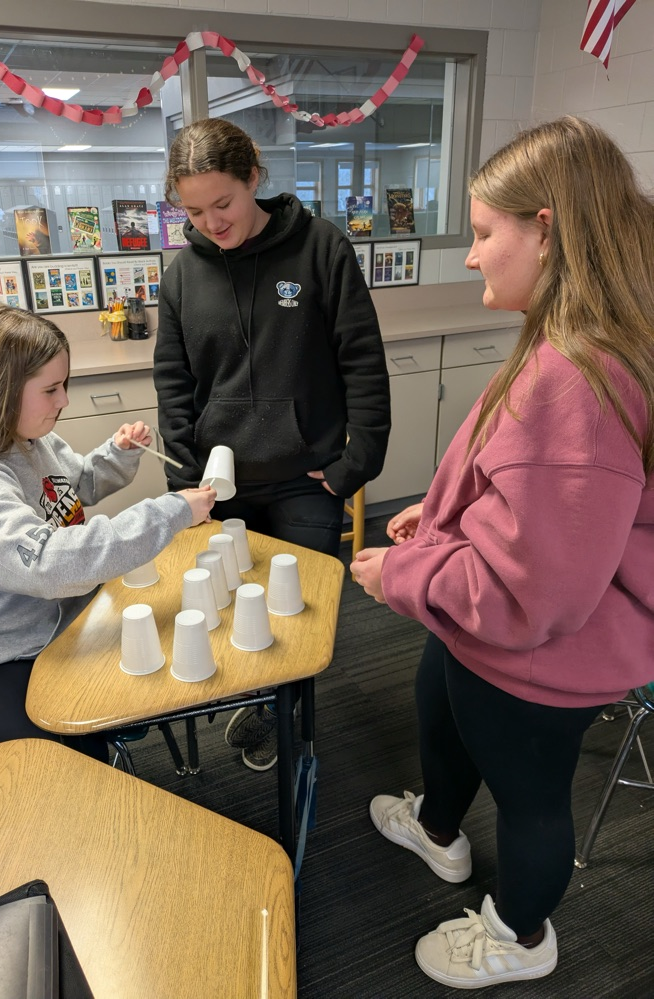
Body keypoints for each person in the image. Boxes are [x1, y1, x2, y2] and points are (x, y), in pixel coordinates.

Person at [350, 115, 654, 989]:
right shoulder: (568, 339)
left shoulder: (577, 379)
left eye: (485, 234)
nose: (473, 256)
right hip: (486, 638)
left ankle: (521, 936)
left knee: (530, 800)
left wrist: (400, 572)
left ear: (546, 230)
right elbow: (531, 497)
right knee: (439, 713)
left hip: (539, 657)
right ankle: (437, 828)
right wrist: (444, 513)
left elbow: (535, 592)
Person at [154, 117, 391, 771]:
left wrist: (355, 463)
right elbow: (173, 384)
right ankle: (255, 701)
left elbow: (363, 362)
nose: (212, 222)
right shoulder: (182, 277)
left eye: (223, 203)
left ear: (254, 178)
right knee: (228, 611)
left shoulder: (321, 249)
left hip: (304, 479)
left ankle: (283, 717)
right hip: (219, 485)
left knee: (295, 619)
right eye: (194, 211)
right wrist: (184, 482)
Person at [0, 303, 216, 763]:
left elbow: (77, 484)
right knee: (74, 762)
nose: (64, 401)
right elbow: (51, 564)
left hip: (63, 624)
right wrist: (169, 513)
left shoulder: (32, 438)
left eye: (64, 385)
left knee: (164, 662)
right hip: (1, 655)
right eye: (51, 389)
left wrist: (118, 453)